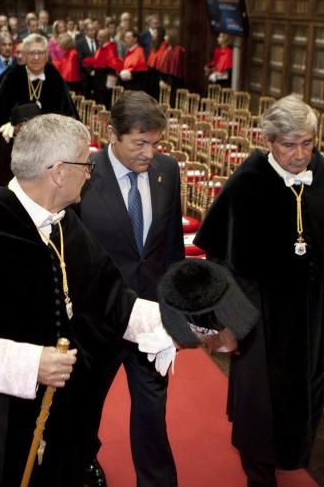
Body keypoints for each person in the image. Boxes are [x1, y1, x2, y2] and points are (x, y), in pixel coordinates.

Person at [0, 114, 177, 487]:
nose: (91, 173)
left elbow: (112, 300)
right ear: (60, 172)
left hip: (60, 416)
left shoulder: (64, 224)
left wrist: (176, 321)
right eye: (86, 163)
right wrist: (30, 364)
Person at [192, 95, 324, 486]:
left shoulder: (323, 173)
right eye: (289, 145)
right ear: (268, 140)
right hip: (259, 308)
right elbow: (221, 254)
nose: (300, 155)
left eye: (307, 144)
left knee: (302, 386)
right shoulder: (248, 181)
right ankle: (258, 472)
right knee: (259, 397)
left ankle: (291, 453)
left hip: (308, 307)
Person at [77, 92, 185, 487]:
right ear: (111, 133)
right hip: (98, 320)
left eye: (155, 143)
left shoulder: (167, 171)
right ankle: (83, 462)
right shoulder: (84, 172)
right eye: (139, 143)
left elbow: (172, 245)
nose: (149, 152)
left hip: (151, 321)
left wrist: (175, 308)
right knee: (85, 406)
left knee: (152, 412)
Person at [0, 34, 77, 186]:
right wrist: (11, 126)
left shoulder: (54, 76)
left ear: (47, 55)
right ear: (24, 55)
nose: (36, 57)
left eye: (40, 53)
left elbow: (66, 112)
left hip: (48, 141)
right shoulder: (13, 75)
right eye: (31, 53)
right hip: (17, 140)